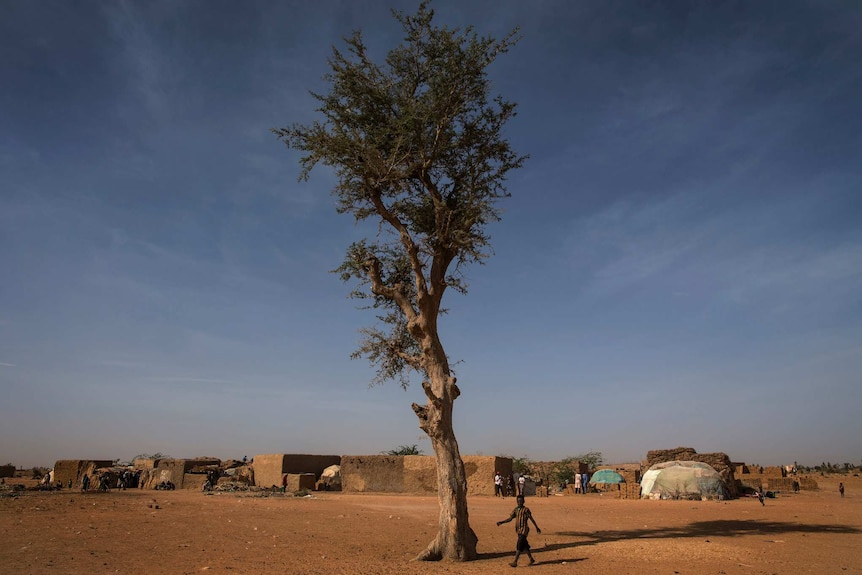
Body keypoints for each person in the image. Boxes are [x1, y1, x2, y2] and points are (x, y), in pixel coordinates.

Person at [497, 495, 541, 567]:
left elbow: (531, 519)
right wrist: (502, 522)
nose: (519, 502)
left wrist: (536, 527)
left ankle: (515, 561)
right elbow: (510, 518)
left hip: (524, 529)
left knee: (519, 544)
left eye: (521, 501)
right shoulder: (516, 510)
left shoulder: (526, 510)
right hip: (518, 530)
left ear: (523, 501)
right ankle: (531, 559)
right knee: (524, 545)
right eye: (518, 501)